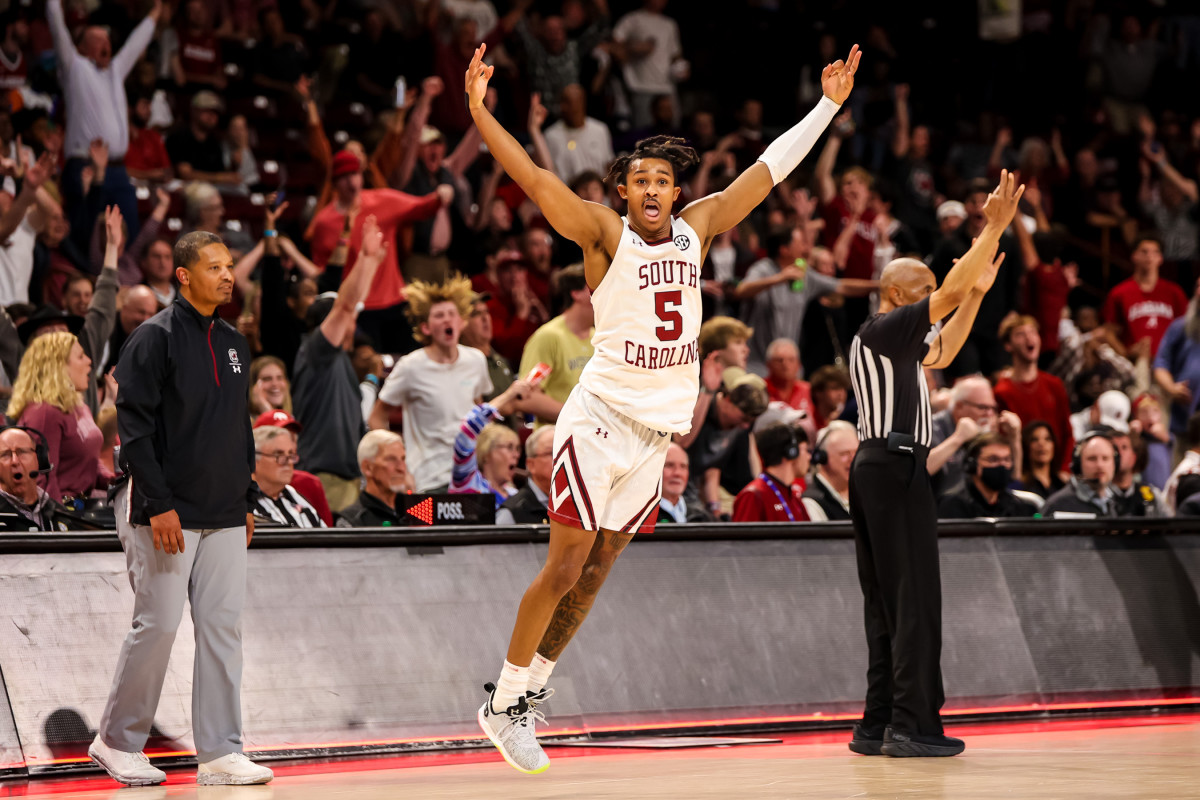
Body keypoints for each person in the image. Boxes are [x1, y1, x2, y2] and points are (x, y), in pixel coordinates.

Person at [465, 40, 860, 773]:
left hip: (654, 436)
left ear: (676, 191)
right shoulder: (602, 231)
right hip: (600, 420)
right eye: (639, 179)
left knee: (599, 569)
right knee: (565, 565)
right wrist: (479, 111)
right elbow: (529, 173)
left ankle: (531, 694)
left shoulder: (699, 227)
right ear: (624, 192)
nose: (651, 188)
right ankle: (501, 702)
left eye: (662, 180)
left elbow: (768, 171)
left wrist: (828, 106)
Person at [846, 170, 1023, 759]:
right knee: (915, 595)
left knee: (889, 601)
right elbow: (942, 301)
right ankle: (910, 724)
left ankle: (876, 723)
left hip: (879, 465)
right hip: (895, 464)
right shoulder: (885, 327)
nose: (934, 299)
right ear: (901, 297)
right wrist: (992, 226)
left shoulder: (893, 341)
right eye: (925, 290)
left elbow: (945, 343)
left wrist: (975, 291)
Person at [95, 230, 272, 787]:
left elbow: (237, 429)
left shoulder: (236, 342)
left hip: (223, 510)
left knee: (223, 628)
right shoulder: (153, 338)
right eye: (214, 267)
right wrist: (157, 503)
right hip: (163, 510)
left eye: (229, 266)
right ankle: (117, 741)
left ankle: (221, 751)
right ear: (184, 275)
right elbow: (135, 429)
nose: (227, 275)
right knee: (159, 624)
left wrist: (247, 498)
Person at [306, 149, 452, 353]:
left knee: (410, 359)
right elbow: (324, 272)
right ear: (335, 182)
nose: (352, 182)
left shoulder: (382, 200)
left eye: (355, 174)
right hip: (358, 308)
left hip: (395, 301)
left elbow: (421, 207)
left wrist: (440, 196)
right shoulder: (324, 222)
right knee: (370, 367)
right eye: (345, 177)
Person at [47, 0, 162, 247]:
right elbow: (56, 25)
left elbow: (135, 44)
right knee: (87, 237)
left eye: (107, 39)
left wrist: (155, 12)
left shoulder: (116, 71)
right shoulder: (74, 67)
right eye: (98, 40)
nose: (106, 44)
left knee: (130, 236)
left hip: (120, 171)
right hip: (85, 167)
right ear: (82, 47)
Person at [293, 217, 387, 512]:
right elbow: (347, 306)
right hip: (324, 479)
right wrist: (365, 258)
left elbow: (353, 303)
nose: (352, 322)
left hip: (346, 478)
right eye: (343, 319)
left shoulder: (339, 360)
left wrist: (371, 265)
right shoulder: (318, 351)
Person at [369, 274, 493, 493]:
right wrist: (401, 465)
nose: (447, 320)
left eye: (451, 314)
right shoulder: (411, 366)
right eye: (439, 315)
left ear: (461, 322)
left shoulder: (475, 360)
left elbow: (478, 409)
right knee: (429, 527)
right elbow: (377, 417)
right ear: (426, 328)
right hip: (427, 480)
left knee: (475, 528)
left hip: (470, 478)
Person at [735, 226, 875, 374]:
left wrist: (880, 285)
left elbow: (842, 287)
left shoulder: (804, 274)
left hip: (790, 367)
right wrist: (779, 278)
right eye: (800, 243)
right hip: (758, 368)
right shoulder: (762, 269)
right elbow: (741, 290)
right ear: (784, 250)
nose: (805, 248)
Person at [9, 332, 100, 505]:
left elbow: (87, 462)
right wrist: (59, 523)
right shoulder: (45, 412)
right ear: (58, 367)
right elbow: (43, 479)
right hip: (63, 512)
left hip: (85, 506)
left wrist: (115, 479)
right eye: (80, 356)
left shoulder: (81, 408)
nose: (89, 361)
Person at [993, 316, 1074, 473]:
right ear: (1008, 345)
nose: (1029, 338)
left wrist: (1065, 469)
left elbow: (1067, 433)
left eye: (1033, 332)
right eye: (1020, 334)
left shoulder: (1054, 384)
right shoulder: (1002, 391)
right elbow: (1004, 439)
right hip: (1024, 474)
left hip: (1056, 474)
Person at [517, 264, 594, 426]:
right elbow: (526, 396)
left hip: (592, 439)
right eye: (595, 288)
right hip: (555, 440)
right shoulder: (549, 337)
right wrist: (578, 417)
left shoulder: (600, 338)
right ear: (576, 293)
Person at [927, 377, 1022, 499]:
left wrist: (1014, 440)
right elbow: (920, 470)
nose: (989, 414)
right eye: (983, 407)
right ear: (959, 407)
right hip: (939, 508)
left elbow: (1014, 481)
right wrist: (957, 438)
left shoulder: (985, 430)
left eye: (992, 408)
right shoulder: (931, 427)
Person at [451, 380, 534, 507]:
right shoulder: (467, 482)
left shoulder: (516, 495)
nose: (516, 455)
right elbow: (468, 428)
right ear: (486, 452)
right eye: (509, 447)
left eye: (517, 449)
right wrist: (508, 395)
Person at [1103, 234, 1187, 359]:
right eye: (1144, 252)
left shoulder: (1174, 292)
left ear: (1160, 258)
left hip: (1168, 364)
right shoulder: (1119, 292)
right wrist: (1125, 353)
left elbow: (1187, 329)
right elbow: (1109, 332)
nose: (1149, 256)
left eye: (1155, 252)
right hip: (1134, 364)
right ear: (1134, 256)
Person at [1152, 276, 1200, 462]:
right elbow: (1160, 364)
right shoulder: (1180, 327)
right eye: (1197, 286)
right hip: (1183, 423)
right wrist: (1171, 388)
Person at [937, 433, 1036, 518]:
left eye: (1007, 459)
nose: (1002, 465)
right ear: (973, 465)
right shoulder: (953, 505)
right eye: (993, 459)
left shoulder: (1018, 505)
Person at [731, 423, 809, 522]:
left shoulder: (794, 498)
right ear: (792, 452)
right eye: (806, 450)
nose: (809, 456)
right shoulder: (753, 496)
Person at [251, 426, 325, 528]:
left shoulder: (296, 497)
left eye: (291, 454)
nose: (289, 462)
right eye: (278, 454)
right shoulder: (237, 505)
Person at [336, 430, 414, 528]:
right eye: (391, 459)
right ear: (367, 467)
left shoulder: (416, 511)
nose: (401, 468)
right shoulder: (351, 522)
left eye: (403, 459)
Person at [0, 425, 71, 531]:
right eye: (5, 454)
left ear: (39, 459)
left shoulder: (60, 514)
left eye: (22, 452)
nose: (15, 461)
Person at [1041, 431, 1120, 518]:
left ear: (1115, 463)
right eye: (1092, 458)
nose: (1099, 465)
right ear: (1078, 465)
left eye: (1105, 458)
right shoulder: (1057, 505)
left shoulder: (1119, 502)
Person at [496, 426, 556, 525]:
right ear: (531, 465)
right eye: (552, 453)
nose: (561, 459)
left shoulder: (579, 505)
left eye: (564, 453)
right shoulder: (512, 513)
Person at [800, 421, 858, 522]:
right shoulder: (812, 503)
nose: (853, 459)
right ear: (822, 458)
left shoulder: (861, 495)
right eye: (844, 453)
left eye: (856, 452)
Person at [1109, 426, 1167, 517]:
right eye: (1114, 448)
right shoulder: (1099, 495)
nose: (1119, 453)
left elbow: (1171, 524)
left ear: (1134, 457)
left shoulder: (1151, 494)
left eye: (1124, 448)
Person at [656, 442, 710, 523]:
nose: (677, 473)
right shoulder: (642, 519)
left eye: (683, 466)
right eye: (669, 465)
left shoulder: (702, 517)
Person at [1019, 421, 1065, 500]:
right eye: (1034, 439)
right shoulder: (1021, 485)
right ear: (1026, 446)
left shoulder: (1062, 484)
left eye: (1047, 439)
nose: (1041, 444)